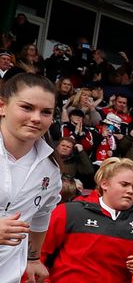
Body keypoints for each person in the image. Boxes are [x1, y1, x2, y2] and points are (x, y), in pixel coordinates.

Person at [41, 157, 133, 281]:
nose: (130, 191)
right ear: (104, 184)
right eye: (124, 184)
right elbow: (37, 252)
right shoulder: (70, 212)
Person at [0, 74, 62, 283]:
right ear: (2, 106)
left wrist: (34, 258)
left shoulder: (50, 169)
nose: (36, 118)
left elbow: (41, 214)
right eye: (27, 107)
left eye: (46, 112)